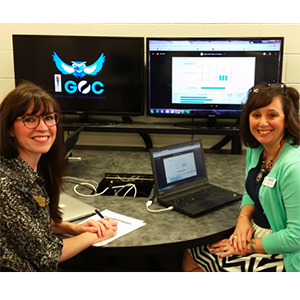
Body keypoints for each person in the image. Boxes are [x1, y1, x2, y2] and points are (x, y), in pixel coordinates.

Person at [0, 81, 117, 272]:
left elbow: (31, 224)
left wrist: (75, 229)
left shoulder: (33, 169)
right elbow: (48, 254)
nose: (43, 127)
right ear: (9, 128)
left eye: (49, 118)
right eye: (30, 119)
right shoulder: (6, 184)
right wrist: (97, 234)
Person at [182, 82, 300, 272]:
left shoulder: (293, 167)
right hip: (258, 232)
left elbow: (296, 237)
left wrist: (247, 246)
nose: (262, 123)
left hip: (285, 251)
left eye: (272, 115)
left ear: (287, 119)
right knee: (191, 252)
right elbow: (251, 192)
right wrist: (243, 219)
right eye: (256, 115)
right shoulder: (257, 149)